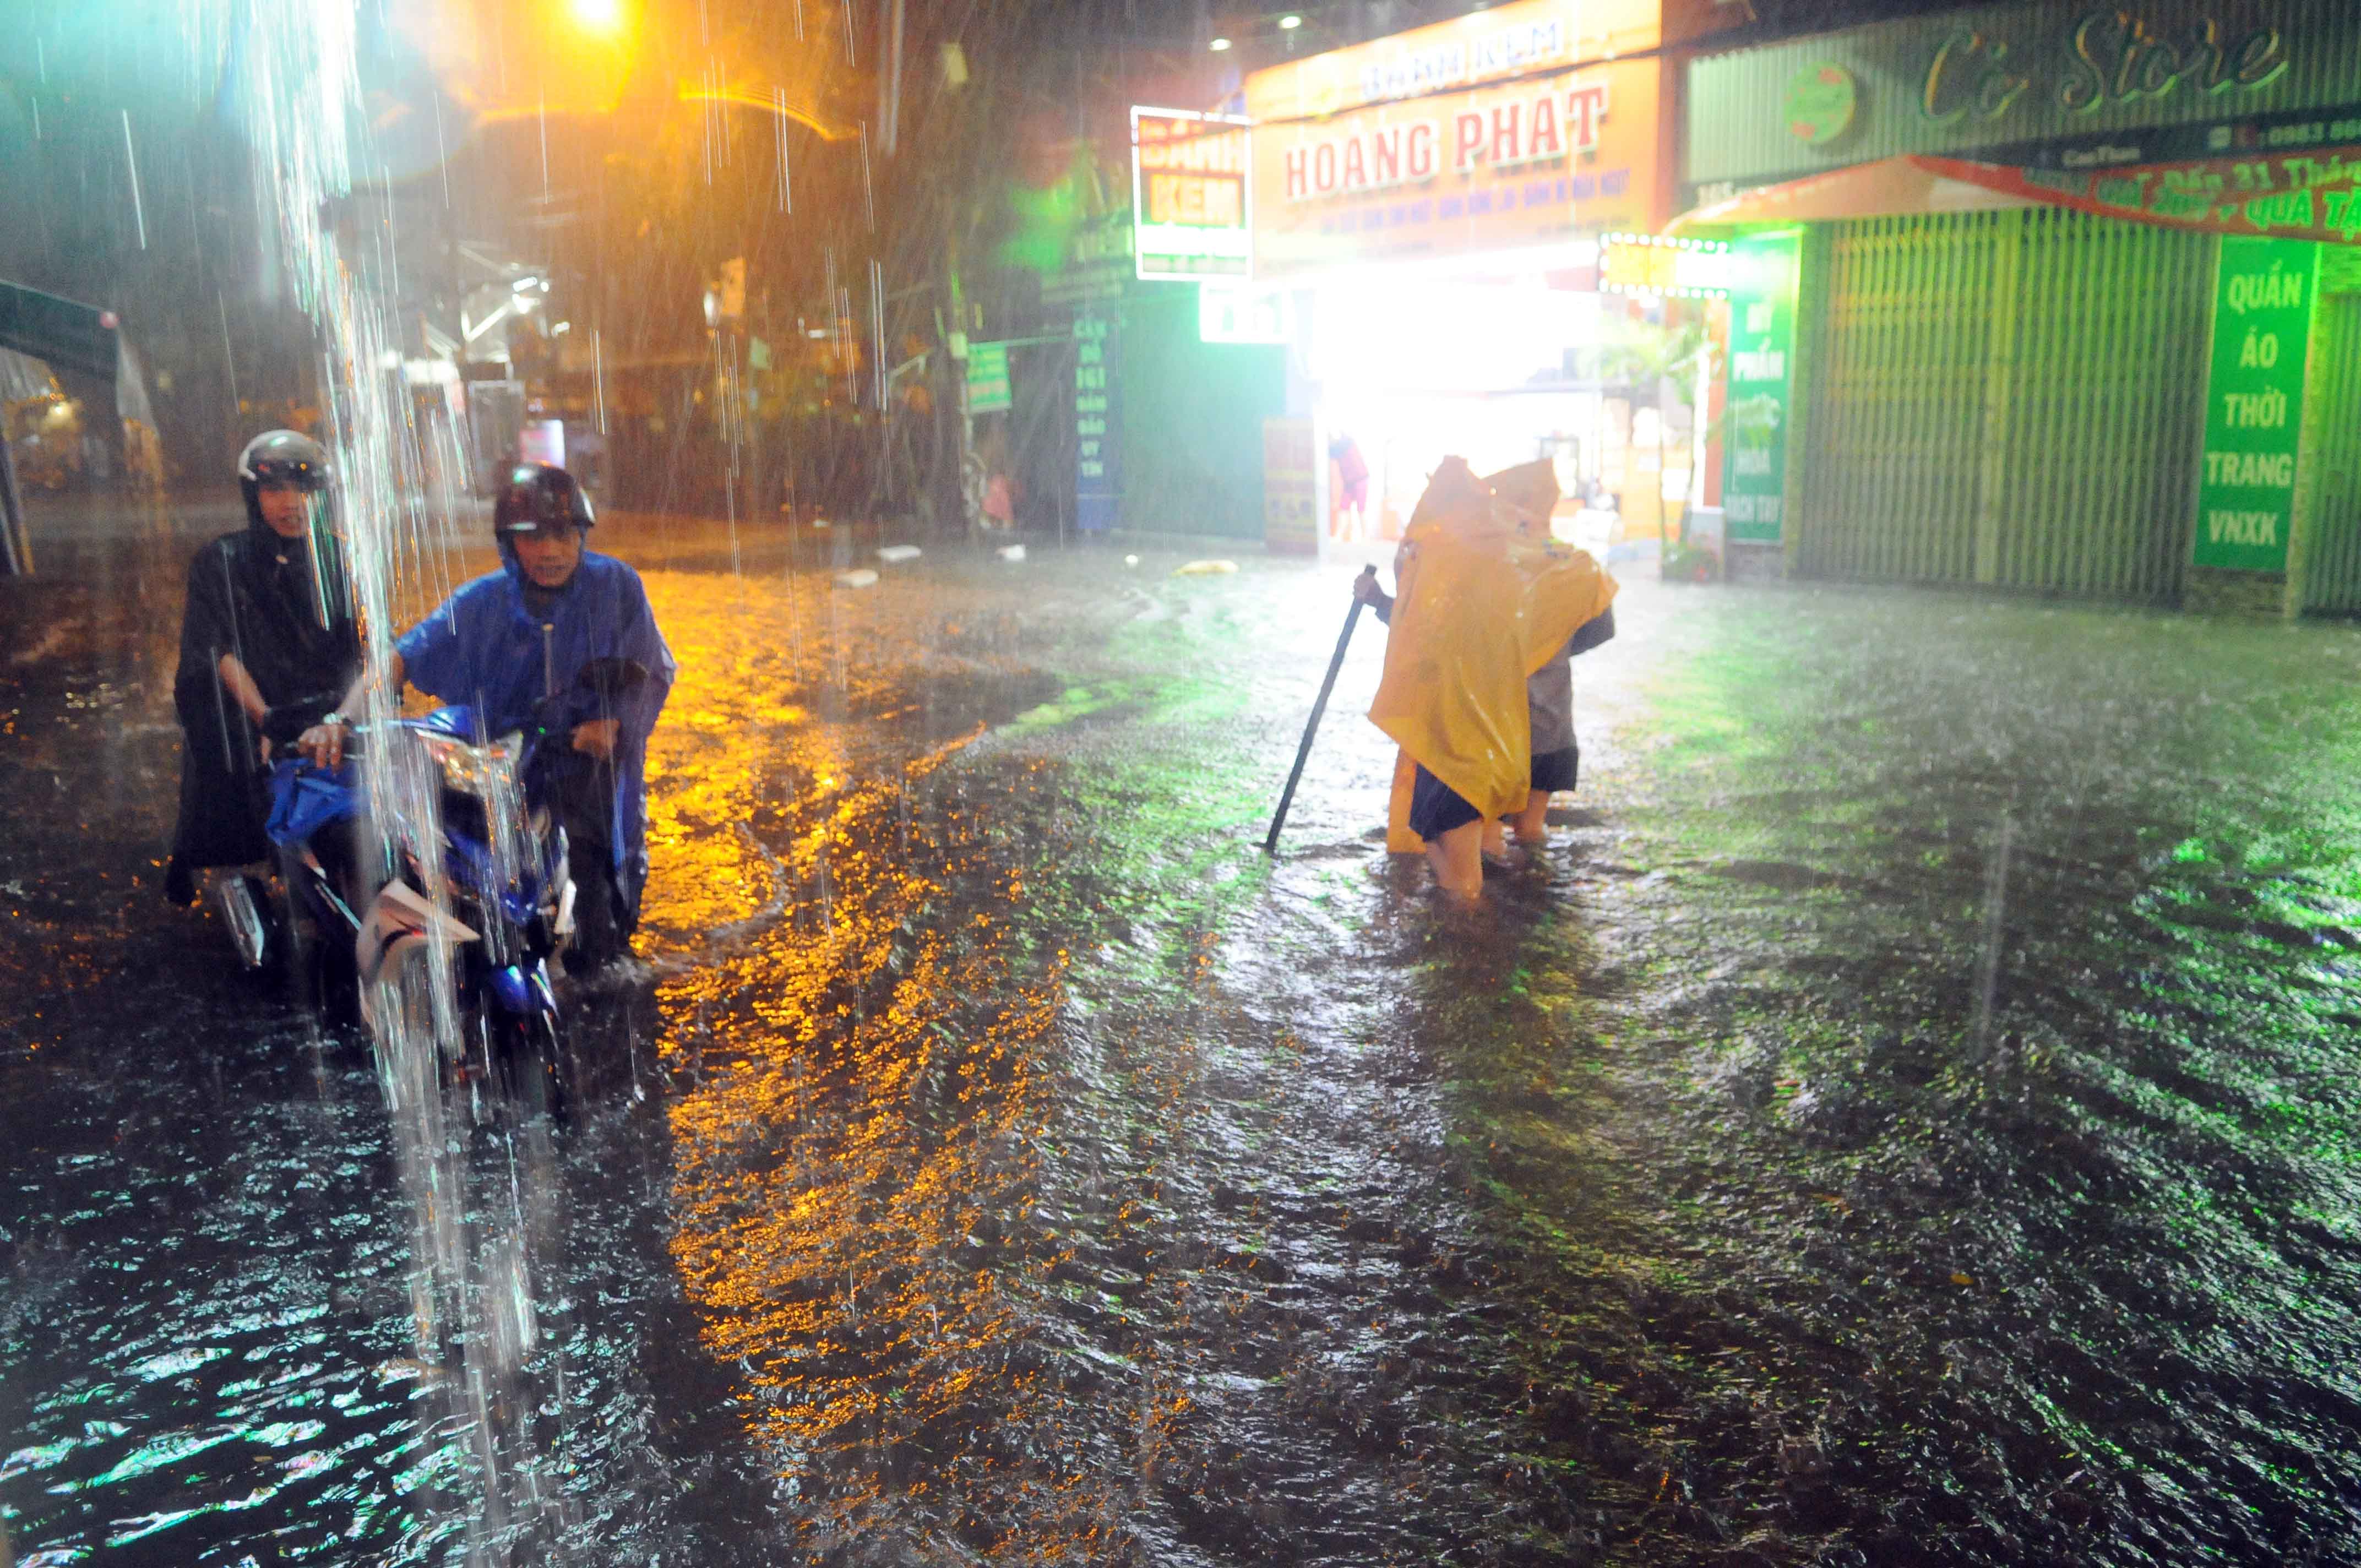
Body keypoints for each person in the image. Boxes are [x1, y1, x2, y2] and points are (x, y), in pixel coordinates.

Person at [302, 462, 674, 968]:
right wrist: (340, 720)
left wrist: (615, 725)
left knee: (601, 926)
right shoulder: (480, 602)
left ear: (582, 535)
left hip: (589, 771)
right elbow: (400, 657)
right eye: (532, 537)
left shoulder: (617, 588)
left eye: (563, 535)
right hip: (501, 770)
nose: (550, 552)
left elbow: (652, 670)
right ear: (509, 544)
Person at [1356, 457, 1617, 900]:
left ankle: (1485, 922)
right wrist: (1548, 645)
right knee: (1527, 834)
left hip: (1488, 736)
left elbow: (1430, 633)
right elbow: (1600, 623)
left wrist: (1382, 601)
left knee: (1480, 846)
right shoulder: (1564, 564)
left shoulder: (1483, 565)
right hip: (1545, 729)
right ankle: (1527, 904)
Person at [165, 430, 359, 910]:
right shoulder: (222, 560)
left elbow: (375, 654)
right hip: (260, 707)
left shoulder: (344, 558)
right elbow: (215, 648)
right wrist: (265, 718)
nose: (291, 504)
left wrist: (343, 719)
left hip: (332, 707)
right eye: (275, 492)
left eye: (305, 491)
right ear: (255, 496)